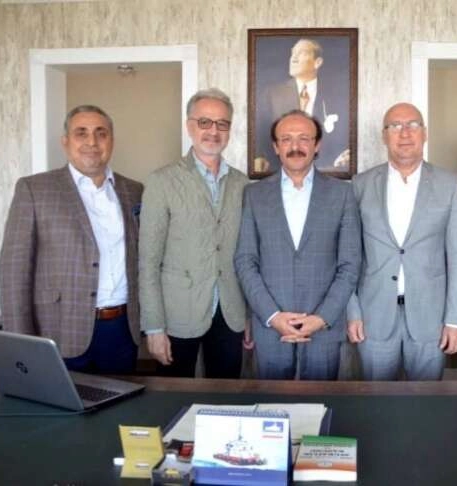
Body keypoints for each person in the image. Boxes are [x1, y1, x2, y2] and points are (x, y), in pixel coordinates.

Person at [0, 105, 143, 374]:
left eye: (101, 133)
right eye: (81, 133)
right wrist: (20, 343)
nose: (92, 142)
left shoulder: (134, 191)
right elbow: (13, 271)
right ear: (65, 141)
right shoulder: (35, 189)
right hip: (58, 329)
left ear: (111, 141)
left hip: (122, 330)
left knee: (121, 399)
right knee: (58, 402)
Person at [346, 102, 457, 380]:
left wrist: (456, 320)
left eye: (413, 125)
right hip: (373, 317)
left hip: (431, 318)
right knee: (376, 400)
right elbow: (350, 256)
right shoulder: (361, 184)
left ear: (424, 133)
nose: (405, 133)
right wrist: (352, 311)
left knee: (425, 401)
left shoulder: (449, 184)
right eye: (395, 126)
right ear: (384, 135)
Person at [235, 109, 361, 380]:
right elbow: (245, 261)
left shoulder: (342, 193)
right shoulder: (254, 195)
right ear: (275, 147)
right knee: (271, 404)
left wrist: (322, 318)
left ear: (317, 145)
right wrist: (272, 316)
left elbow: (350, 265)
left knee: (322, 402)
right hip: (271, 329)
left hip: (323, 328)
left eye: (304, 138)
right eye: (286, 139)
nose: (295, 146)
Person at [139, 88, 250, 378]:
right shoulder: (162, 181)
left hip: (230, 311)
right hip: (177, 312)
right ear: (189, 126)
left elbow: (248, 256)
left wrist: (248, 316)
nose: (213, 131)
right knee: (174, 395)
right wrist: (153, 326)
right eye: (204, 122)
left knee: (226, 395)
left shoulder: (243, 184)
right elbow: (148, 262)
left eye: (222, 123)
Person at [254, 38, 350, 173]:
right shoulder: (272, 94)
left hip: (326, 172)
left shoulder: (336, 95)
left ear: (317, 62)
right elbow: (260, 134)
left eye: (302, 53)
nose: (293, 58)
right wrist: (259, 157)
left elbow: (345, 137)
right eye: (293, 53)